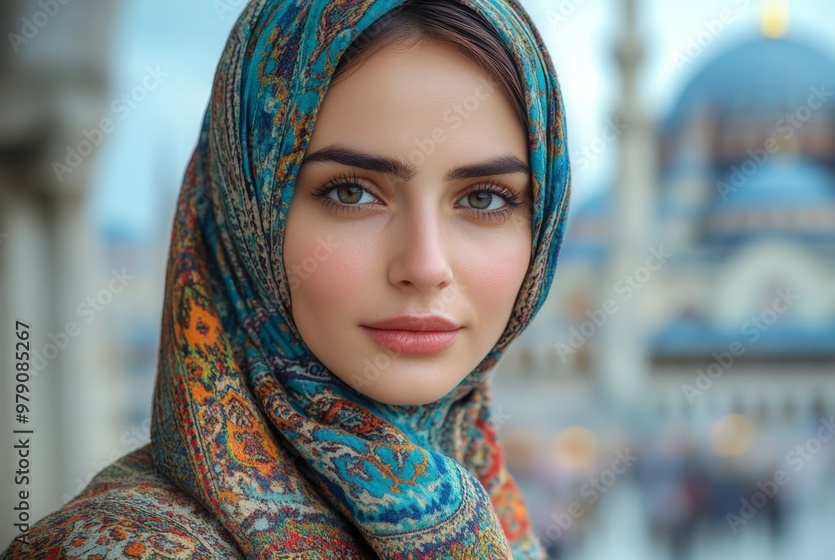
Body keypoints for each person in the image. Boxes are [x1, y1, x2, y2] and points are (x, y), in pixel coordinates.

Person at [2, 0, 570, 557]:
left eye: (484, 198)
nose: (425, 266)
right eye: (352, 193)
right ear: (244, 208)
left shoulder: (504, 518)